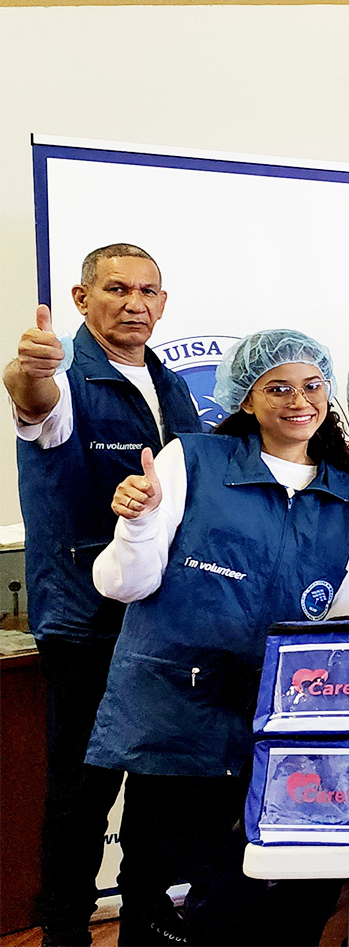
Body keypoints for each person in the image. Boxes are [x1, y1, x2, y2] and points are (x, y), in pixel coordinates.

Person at [88, 329, 349, 944]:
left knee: (279, 881)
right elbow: (123, 583)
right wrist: (140, 523)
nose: (296, 400)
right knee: (157, 880)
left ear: (329, 397)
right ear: (246, 400)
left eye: (311, 386)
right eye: (275, 387)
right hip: (174, 708)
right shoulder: (189, 460)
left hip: (283, 716)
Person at [5, 244, 202, 946]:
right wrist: (27, 373)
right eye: (116, 289)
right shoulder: (65, 375)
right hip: (86, 621)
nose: (134, 303)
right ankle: (65, 930)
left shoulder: (172, 385)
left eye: (148, 290)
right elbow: (37, 406)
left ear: (164, 303)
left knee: (154, 784)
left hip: (160, 617)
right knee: (80, 794)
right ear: (82, 299)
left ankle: (149, 918)